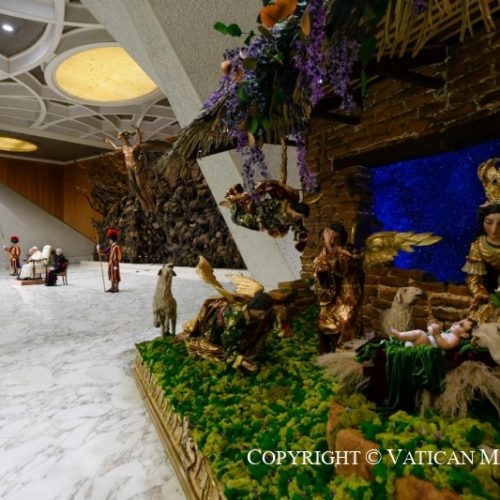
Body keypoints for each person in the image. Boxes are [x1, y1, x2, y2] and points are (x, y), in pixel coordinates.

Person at [184, 292, 278, 372]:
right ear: (254, 308)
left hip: (233, 332)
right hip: (215, 330)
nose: (262, 317)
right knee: (216, 353)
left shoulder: (250, 311)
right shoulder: (236, 319)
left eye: (264, 314)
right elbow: (227, 345)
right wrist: (240, 361)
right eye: (260, 314)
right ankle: (191, 339)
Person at [313, 222, 365, 353]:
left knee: (346, 322)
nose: (331, 241)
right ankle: (324, 351)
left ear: (342, 238)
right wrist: (320, 269)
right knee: (323, 321)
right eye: (329, 237)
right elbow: (319, 265)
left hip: (348, 296)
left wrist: (328, 254)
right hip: (331, 295)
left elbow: (342, 268)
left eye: (335, 237)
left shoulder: (350, 252)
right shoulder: (326, 250)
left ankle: (344, 353)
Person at [220, 181, 310, 251]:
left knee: (248, 224)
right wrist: (259, 221)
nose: (298, 218)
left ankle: (233, 204)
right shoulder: (279, 205)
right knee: (238, 219)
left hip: (268, 225)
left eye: (299, 217)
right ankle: (231, 205)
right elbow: (264, 207)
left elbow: (298, 228)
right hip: (258, 216)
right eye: (298, 216)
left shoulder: (294, 219)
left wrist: (301, 239)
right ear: (294, 210)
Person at [462, 203, 500, 322]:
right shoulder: (479, 246)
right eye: (489, 223)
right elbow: (473, 278)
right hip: (491, 294)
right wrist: (479, 291)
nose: (494, 230)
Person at [391, 318, 477, 350]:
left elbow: (445, 345)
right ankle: (403, 337)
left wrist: (436, 334)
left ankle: (400, 336)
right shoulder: (450, 333)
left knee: (420, 333)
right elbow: (438, 335)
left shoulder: (455, 339)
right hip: (426, 341)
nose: (456, 323)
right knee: (418, 334)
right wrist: (432, 328)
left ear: (464, 335)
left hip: (428, 345)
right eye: (458, 321)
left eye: (461, 325)